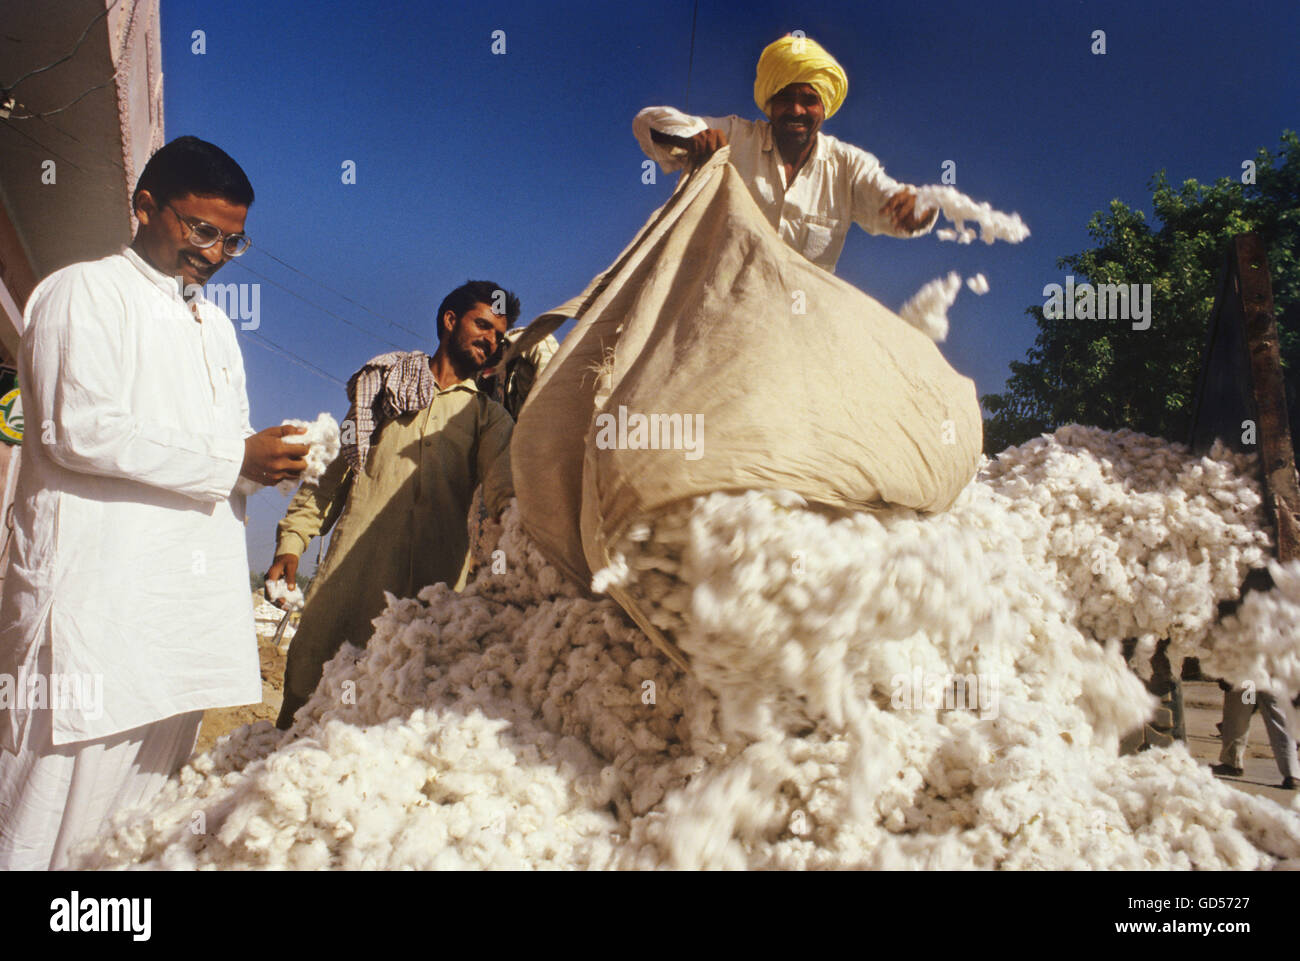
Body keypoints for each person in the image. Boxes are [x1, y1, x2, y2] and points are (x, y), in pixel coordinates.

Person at [0, 136, 310, 869]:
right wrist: (233, 457)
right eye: (202, 230)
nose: (217, 252)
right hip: (97, 624)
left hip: (177, 635)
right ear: (145, 206)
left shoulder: (217, 328)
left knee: (126, 840)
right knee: (41, 830)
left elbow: (220, 449)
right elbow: (76, 427)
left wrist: (264, 463)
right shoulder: (82, 293)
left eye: (234, 239)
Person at [268, 281, 519, 729]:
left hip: (427, 606)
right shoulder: (384, 390)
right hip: (350, 586)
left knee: (399, 722)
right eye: (483, 325)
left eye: (499, 335)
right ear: (449, 320)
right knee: (308, 703)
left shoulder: (487, 418)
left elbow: (505, 492)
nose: (491, 340)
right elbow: (331, 477)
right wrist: (292, 542)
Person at [633, 34, 938, 273]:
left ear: (824, 109)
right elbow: (648, 122)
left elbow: (886, 197)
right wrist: (692, 139)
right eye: (786, 99)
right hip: (717, 308)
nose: (796, 110)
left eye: (808, 100)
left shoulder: (849, 165)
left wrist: (916, 209)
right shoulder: (737, 137)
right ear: (770, 104)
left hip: (797, 324)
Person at [1212, 686, 1299, 790]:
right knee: (1278, 720)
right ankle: (1292, 774)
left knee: (1239, 716)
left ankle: (1232, 762)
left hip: (1247, 680)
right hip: (1270, 678)